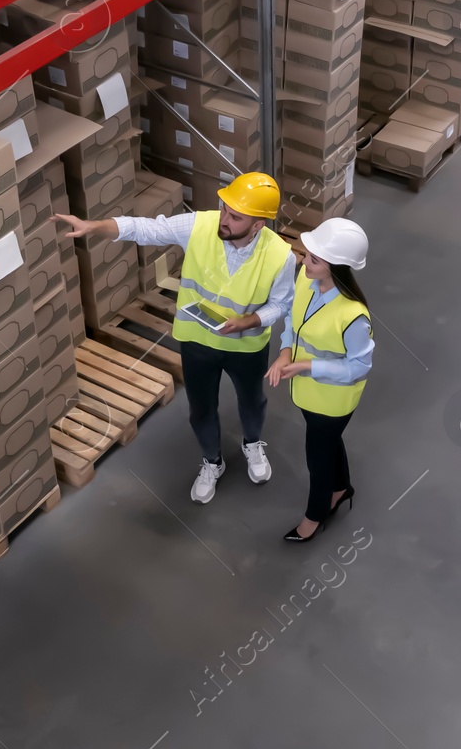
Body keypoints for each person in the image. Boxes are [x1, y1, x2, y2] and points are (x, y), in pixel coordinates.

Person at [54, 173, 295, 504]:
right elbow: (147, 229)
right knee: (200, 410)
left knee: (252, 402)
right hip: (197, 343)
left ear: (258, 225)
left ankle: (252, 443)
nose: (224, 219)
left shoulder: (281, 255)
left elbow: (282, 304)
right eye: (224, 209)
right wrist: (97, 227)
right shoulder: (200, 225)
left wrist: (250, 321)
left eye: (235, 217)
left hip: (246, 347)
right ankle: (212, 462)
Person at [264, 218, 373, 542]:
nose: (304, 260)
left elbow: (359, 368)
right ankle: (341, 488)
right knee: (327, 443)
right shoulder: (305, 280)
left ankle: (314, 516)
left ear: (335, 266)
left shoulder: (353, 316)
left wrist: (306, 366)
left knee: (318, 457)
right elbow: (293, 325)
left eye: (314, 258)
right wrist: (285, 354)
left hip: (333, 400)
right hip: (309, 393)